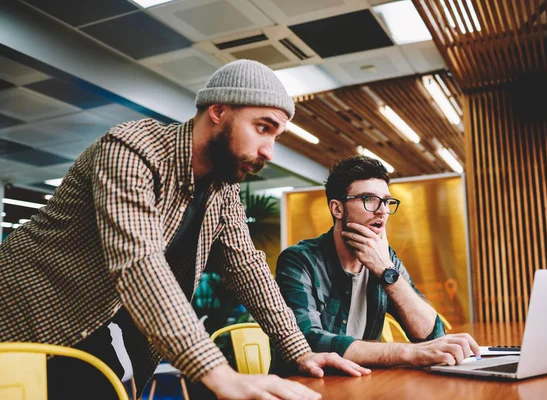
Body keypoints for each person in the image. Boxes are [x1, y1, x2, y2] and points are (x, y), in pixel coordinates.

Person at [0, 60, 369, 400]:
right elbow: (139, 264)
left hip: (94, 324)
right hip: (24, 315)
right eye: (262, 128)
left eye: (276, 136)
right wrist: (221, 375)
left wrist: (301, 351)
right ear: (218, 110)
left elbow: (247, 268)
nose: (269, 150)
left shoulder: (222, 189)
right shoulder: (131, 151)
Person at [276, 156, 480, 369]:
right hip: (305, 387)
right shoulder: (299, 260)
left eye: (386, 201)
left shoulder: (385, 260)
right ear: (337, 209)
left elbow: (431, 333)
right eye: (368, 199)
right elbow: (306, 341)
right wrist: (407, 352)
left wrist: (386, 272)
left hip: (359, 385)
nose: (382, 210)